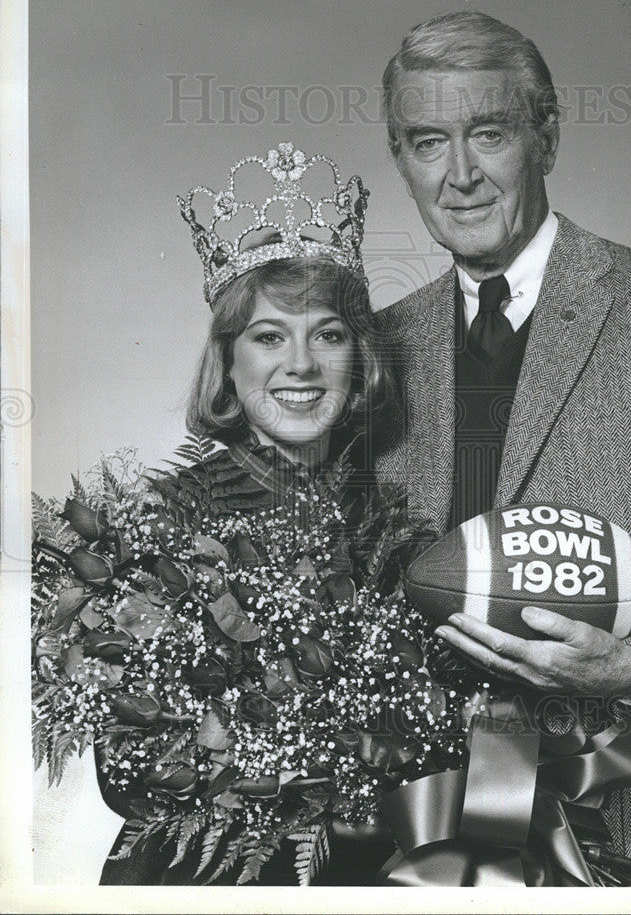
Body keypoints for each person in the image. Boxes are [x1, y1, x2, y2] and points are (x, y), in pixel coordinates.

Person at [373, 11, 631, 886]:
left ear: (545, 135)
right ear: (399, 160)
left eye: (488, 134)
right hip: (422, 824)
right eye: (428, 143)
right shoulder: (377, 346)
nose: (459, 175)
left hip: (628, 810)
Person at [97, 146, 395, 885]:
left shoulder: (395, 525)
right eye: (269, 337)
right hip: (205, 874)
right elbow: (121, 768)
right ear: (227, 362)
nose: (301, 364)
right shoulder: (157, 525)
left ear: (357, 357)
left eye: (327, 334)